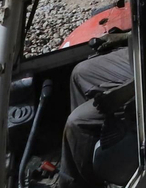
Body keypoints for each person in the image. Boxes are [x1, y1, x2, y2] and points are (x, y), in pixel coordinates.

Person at [57, 48, 134, 188]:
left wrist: (127, 91)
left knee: (77, 122)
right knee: (80, 72)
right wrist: (122, 37)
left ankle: (78, 184)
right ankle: (87, 155)